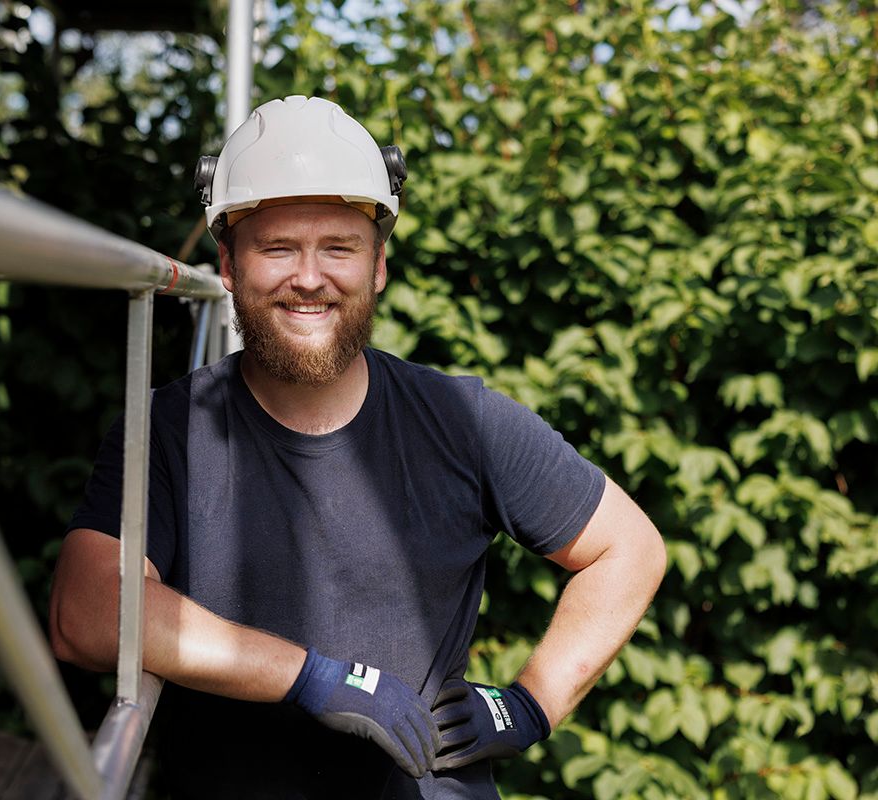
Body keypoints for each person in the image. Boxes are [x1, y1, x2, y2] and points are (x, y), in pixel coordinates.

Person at [49, 95, 667, 799]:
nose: (309, 277)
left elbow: (629, 549)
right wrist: (307, 676)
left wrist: (529, 704)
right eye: (277, 248)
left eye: (338, 248)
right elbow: (88, 613)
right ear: (228, 265)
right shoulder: (172, 428)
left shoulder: (462, 419)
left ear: (378, 266)